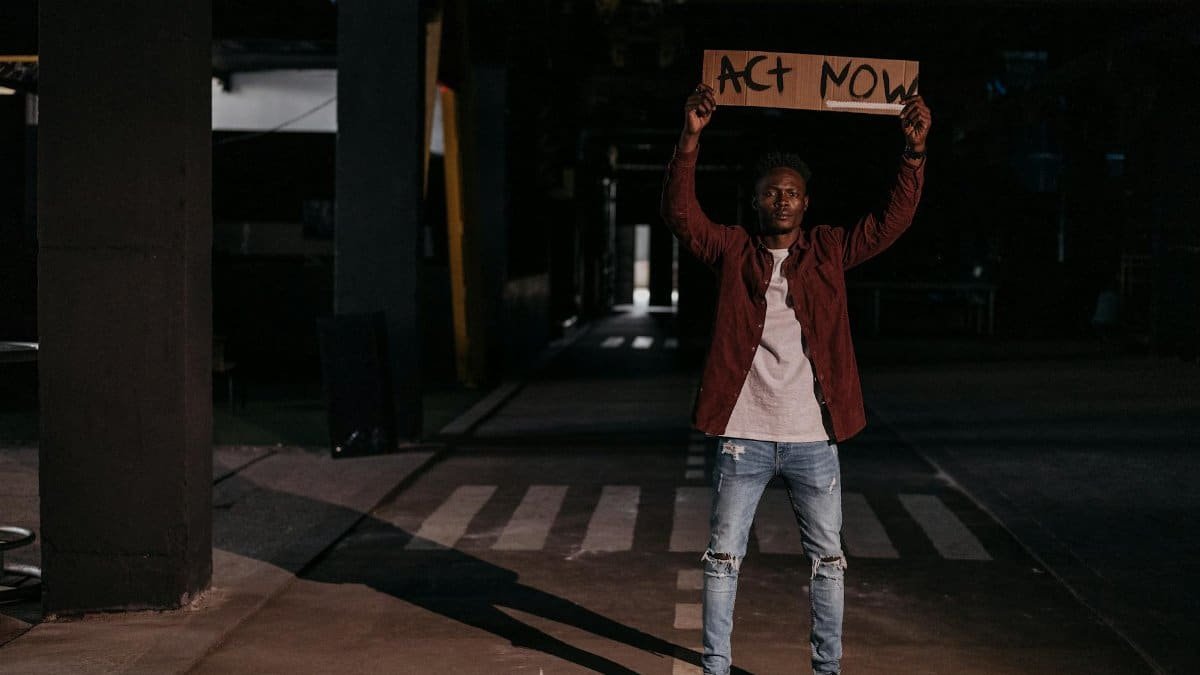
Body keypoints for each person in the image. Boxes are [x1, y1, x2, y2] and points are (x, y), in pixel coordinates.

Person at [659, 82, 931, 675]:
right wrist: (690, 138)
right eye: (771, 193)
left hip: (814, 439)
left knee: (829, 561)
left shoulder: (829, 250)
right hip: (744, 436)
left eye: (792, 193)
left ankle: (826, 670)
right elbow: (681, 215)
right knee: (723, 557)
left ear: (806, 203)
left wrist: (912, 154)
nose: (782, 200)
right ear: (756, 203)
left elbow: (892, 221)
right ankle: (715, 667)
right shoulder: (733, 251)